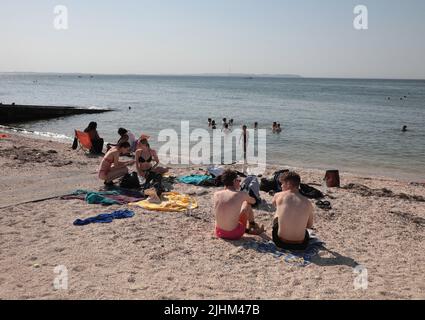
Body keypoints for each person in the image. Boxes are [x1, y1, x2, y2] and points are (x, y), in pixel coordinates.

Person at [213, 170, 265, 240]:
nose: (240, 183)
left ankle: (248, 229)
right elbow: (253, 201)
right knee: (247, 204)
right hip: (234, 234)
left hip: (219, 232)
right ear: (234, 181)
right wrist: (245, 198)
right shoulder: (241, 194)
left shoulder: (216, 194)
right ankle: (252, 225)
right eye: (239, 180)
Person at [271, 171, 314, 250]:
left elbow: (274, 204)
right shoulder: (308, 203)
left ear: (288, 184)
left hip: (280, 242)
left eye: (282, 184)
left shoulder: (278, 195)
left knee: (278, 211)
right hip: (301, 245)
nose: (281, 186)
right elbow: (309, 226)